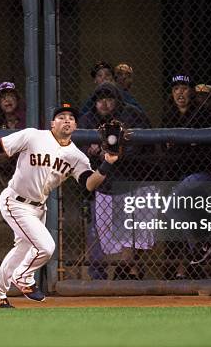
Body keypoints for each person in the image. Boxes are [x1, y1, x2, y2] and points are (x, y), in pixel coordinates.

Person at [0, 104, 118, 308]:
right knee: (46, 246)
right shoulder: (33, 136)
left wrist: (107, 163)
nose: (67, 119)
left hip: (38, 208)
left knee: (21, 251)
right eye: (61, 116)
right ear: (53, 123)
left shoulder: (77, 156)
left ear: (75, 125)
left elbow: (89, 183)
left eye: (71, 117)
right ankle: (23, 277)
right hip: (15, 202)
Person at [78, 82, 153, 280]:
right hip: (101, 182)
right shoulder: (87, 119)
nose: (104, 103)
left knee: (135, 228)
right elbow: (79, 149)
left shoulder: (131, 114)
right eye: (100, 99)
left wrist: (115, 153)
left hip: (133, 179)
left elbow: (143, 147)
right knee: (97, 230)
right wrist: (91, 150)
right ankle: (98, 277)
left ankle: (128, 269)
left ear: (117, 100)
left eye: (109, 98)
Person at [160, 74, 211, 274]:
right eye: (176, 88)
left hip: (202, 174)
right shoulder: (169, 116)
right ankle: (198, 250)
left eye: (184, 88)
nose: (180, 93)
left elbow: (204, 151)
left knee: (173, 206)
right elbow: (167, 151)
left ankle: (200, 247)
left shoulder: (203, 113)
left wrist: (182, 146)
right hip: (179, 177)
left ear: (191, 91)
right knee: (179, 212)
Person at [0, 81, 26, 187]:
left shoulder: (28, 116)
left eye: (11, 96)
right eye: (3, 97)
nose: (7, 100)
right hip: (6, 170)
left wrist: (9, 153)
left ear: (17, 99)